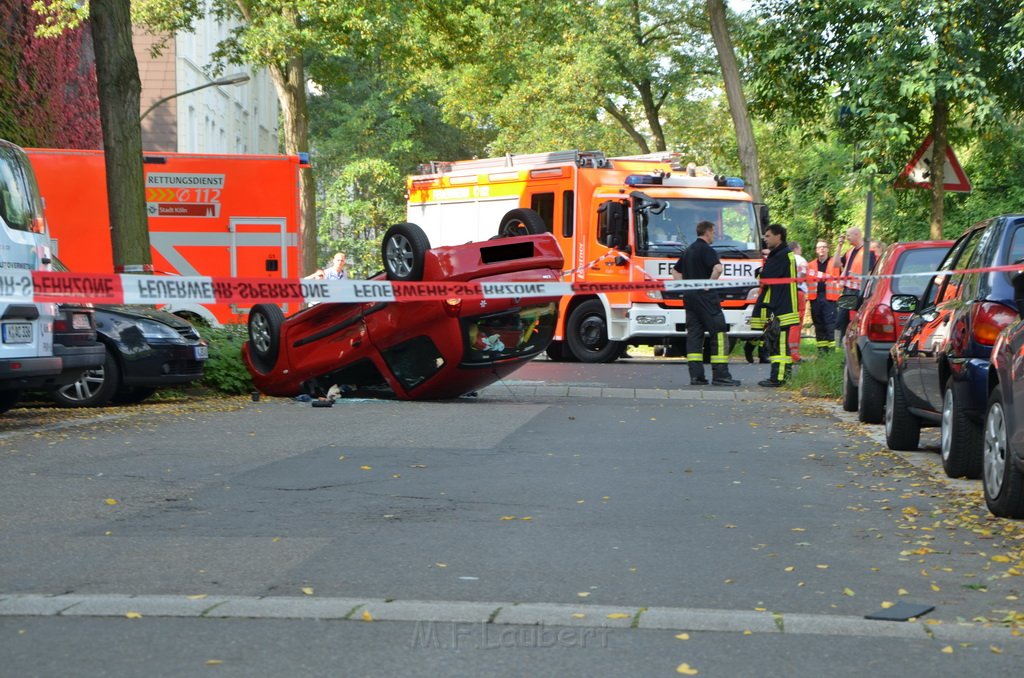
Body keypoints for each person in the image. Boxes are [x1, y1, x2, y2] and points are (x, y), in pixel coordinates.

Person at [672, 220, 740, 386]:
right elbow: (718, 268)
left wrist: (686, 286)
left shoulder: (688, 251)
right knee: (719, 333)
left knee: (694, 337)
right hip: (707, 300)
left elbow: (675, 271)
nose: (714, 236)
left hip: (690, 299)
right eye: (713, 232)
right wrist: (708, 284)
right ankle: (721, 375)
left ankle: (697, 376)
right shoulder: (707, 250)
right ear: (708, 231)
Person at [751, 224, 800, 387]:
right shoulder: (782, 254)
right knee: (779, 343)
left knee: (778, 344)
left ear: (778, 236)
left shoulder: (781, 255)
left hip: (781, 307)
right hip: (782, 305)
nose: (765, 239)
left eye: (768, 236)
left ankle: (778, 378)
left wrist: (759, 272)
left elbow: (766, 276)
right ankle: (781, 376)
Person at [832, 227, 875, 340]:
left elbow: (870, 273)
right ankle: (842, 345)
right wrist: (839, 246)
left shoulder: (867, 251)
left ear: (857, 234)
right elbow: (836, 264)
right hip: (848, 290)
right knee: (842, 319)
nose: (847, 238)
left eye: (849, 235)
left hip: (859, 291)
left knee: (855, 319)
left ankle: (853, 342)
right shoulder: (850, 252)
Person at [805, 239, 841, 352]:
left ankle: (832, 351)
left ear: (827, 249)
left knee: (830, 324)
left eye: (824, 247)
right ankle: (821, 350)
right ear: (816, 250)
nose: (822, 249)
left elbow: (838, 278)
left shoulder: (834, 263)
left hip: (829, 298)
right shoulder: (810, 265)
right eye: (819, 247)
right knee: (818, 324)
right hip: (815, 298)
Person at [787, 242, 809, 362]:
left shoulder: (785, 259)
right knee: (796, 323)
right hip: (798, 292)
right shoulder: (800, 259)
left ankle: (787, 351)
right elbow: (803, 274)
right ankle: (794, 354)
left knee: (789, 322)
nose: (801, 251)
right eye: (800, 249)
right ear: (796, 249)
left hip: (786, 293)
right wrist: (800, 281)